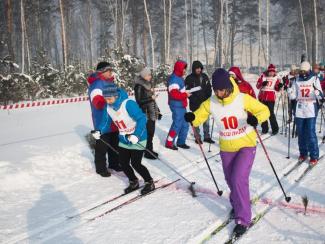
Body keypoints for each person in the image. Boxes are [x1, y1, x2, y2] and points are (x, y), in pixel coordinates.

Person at [184, 68, 270, 237]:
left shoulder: (242, 98)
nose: (218, 93)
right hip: (226, 148)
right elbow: (199, 115)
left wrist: (256, 119)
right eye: (216, 90)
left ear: (228, 87)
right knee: (230, 180)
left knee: (238, 179)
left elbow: (264, 110)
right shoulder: (211, 102)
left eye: (221, 89)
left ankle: (243, 219)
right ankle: (237, 204)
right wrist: (192, 118)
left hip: (246, 145)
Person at [94, 83, 155, 195]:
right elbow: (106, 122)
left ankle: (149, 182)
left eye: (110, 98)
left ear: (116, 96)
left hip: (138, 138)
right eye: (106, 99)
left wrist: (136, 135)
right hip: (123, 138)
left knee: (136, 163)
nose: (108, 101)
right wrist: (99, 131)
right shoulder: (108, 107)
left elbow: (142, 119)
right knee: (123, 163)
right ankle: (133, 181)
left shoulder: (128, 104)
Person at [88, 61, 121, 177]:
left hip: (113, 119)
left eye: (111, 70)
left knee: (114, 143)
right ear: (102, 71)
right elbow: (96, 101)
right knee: (102, 145)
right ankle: (100, 168)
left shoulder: (111, 83)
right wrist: (107, 101)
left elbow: (117, 98)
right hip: (102, 120)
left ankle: (114, 164)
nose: (111, 72)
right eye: (109, 70)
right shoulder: (97, 84)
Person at [288, 61, 323, 165]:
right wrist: (290, 92)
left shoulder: (314, 78)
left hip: (311, 109)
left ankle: (314, 155)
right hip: (299, 109)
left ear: (309, 70)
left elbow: (321, 96)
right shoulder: (297, 80)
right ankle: (303, 153)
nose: (303, 73)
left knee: (311, 133)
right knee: (301, 133)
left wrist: (318, 93)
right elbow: (293, 96)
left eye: (305, 71)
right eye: (301, 71)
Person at [134, 67, 162, 159]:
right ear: (144, 75)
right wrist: (151, 98)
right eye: (149, 75)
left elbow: (153, 101)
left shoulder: (148, 85)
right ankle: (147, 152)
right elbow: (139, 100)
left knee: (151, 133)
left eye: (150, 74)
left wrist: (158, 111)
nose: (150, 76)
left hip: (151, 113)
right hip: (145, 113)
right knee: (148, 133)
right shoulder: (139, 86)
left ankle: (149, 150)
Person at [185, 60, 214, 144]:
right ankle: (197, 137)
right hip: (195, 104)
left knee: (206, 121)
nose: (199, 70)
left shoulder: (205, 76)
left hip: (205, 103)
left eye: (200, 68)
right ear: (194, 69)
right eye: (197, 68)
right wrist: (195, 99)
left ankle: (207, 136)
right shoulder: (189, 78)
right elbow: (187, 92)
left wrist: (207, 98)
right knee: (195, 121)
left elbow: (209, 88)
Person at [165, 60, 191, 150]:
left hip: (181, 105)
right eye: (184, 68)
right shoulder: (174, 79)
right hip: (176, 105)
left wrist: (186, 93)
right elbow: (174, 94)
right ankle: (169, 142)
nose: (185, 70)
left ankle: (181, 142)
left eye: (185, 69)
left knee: (185, 124)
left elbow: (179, 92)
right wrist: (185, 95)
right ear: (179, 68)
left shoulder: (180, 78)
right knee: (177, 124)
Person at [256, 64, 282, 135]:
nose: (271, 73)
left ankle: (275, 129)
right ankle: (265, 128)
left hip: (271, 98)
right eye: (270, 71)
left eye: (273, 72)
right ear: (268, 71)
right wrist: (262, 84)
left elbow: (277, 88)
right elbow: (257, 86)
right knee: (262, 113)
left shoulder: (276, 78)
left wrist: (279, 86)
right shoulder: (263, 76)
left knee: (271, 114)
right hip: (262, 97)